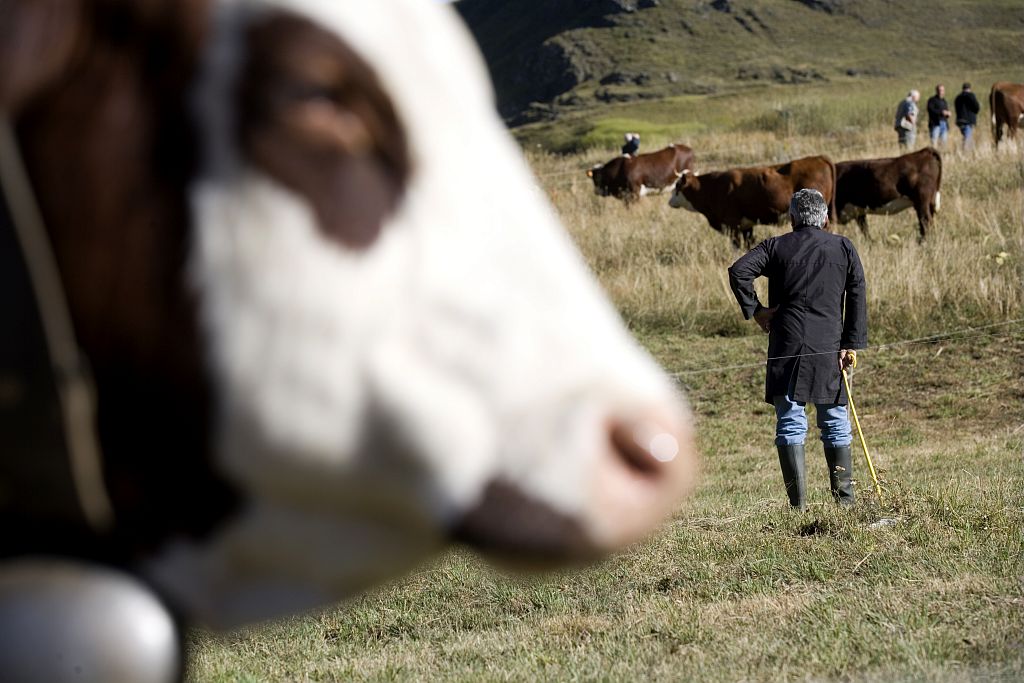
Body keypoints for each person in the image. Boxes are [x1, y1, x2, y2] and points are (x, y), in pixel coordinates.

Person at [727, 189, 868, 510]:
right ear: (826, 219)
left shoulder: (775, 246)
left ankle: (798, 506)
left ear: (791, 219)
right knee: (834, 420)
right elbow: (858, 293)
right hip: (829, 346)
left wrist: (757, 310)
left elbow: (738, 272)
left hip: (786, 343)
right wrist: (850, 343)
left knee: (791, 421)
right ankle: (844, 503)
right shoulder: (843, 247)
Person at [954, 82, 981, 150]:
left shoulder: (958, 97)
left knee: (966, 136)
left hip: (960, 120)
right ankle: (965, 153)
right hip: (968, 120)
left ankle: (969, 151)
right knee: (967, 138)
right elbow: (976, 107)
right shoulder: (971, 95)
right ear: (969, 88)